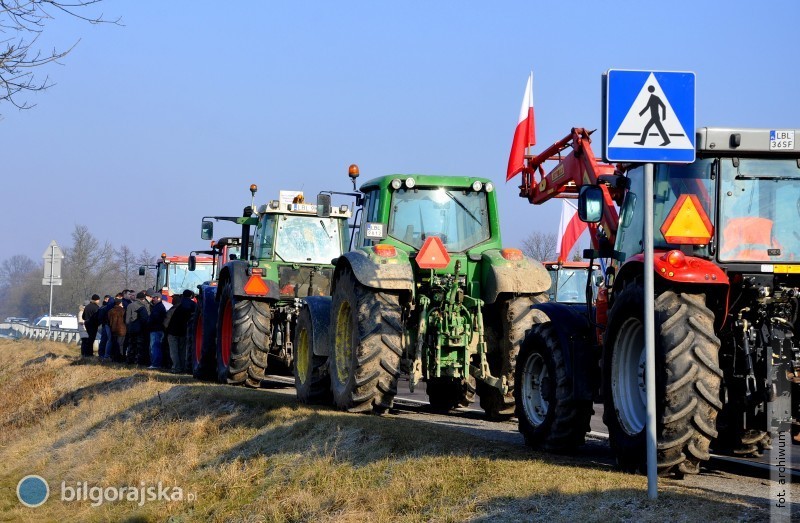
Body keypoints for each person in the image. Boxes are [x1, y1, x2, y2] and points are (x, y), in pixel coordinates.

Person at [166, 289, 196, 374]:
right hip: (184, 331)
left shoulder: (177, 304)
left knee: (174, 350)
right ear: (191, 296)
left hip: (172, 330)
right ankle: (183, 367)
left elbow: (168, 317)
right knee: (182, 350)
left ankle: (176, 368)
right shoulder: (193, 305)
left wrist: (165, 329)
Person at [125, 291, 151, 366]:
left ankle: (130, 360)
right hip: (141, 330)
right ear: (143, 298)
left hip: (131, 329)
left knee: (131, 345)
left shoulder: (130, 305)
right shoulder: (144, 306)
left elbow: (127, 320)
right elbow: (146, 318)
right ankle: (138, 361)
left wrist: (129, 326)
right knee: (140, 346)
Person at [147, 290, 167, 369]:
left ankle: (155, 364)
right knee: (156, 347)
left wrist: (149, 322)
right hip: (158, 329)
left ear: (158, 298)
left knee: (155, 347)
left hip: (156, 329)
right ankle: (156, 363)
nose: (153, 299)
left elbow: (154, 318)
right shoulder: (159, 306)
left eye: (154, 298)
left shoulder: (158, 307)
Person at [108, 293, 127, 362]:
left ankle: (114, 358)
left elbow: (109, 320)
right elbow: (125, 320)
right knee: (121, 345)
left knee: (114, 343)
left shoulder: (110, 311)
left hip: (113, 329)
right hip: (122, 330)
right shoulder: (123, 311)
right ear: (120, 303)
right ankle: (120, 358)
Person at [96, 295, 113, 360]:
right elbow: (101, 317)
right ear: (105, 299)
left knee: (104, 340)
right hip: (105, 324)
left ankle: (101, 354)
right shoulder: (104, 308)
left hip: (104, 324)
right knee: (105, 340)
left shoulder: (102, 307)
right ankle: (102, 354)